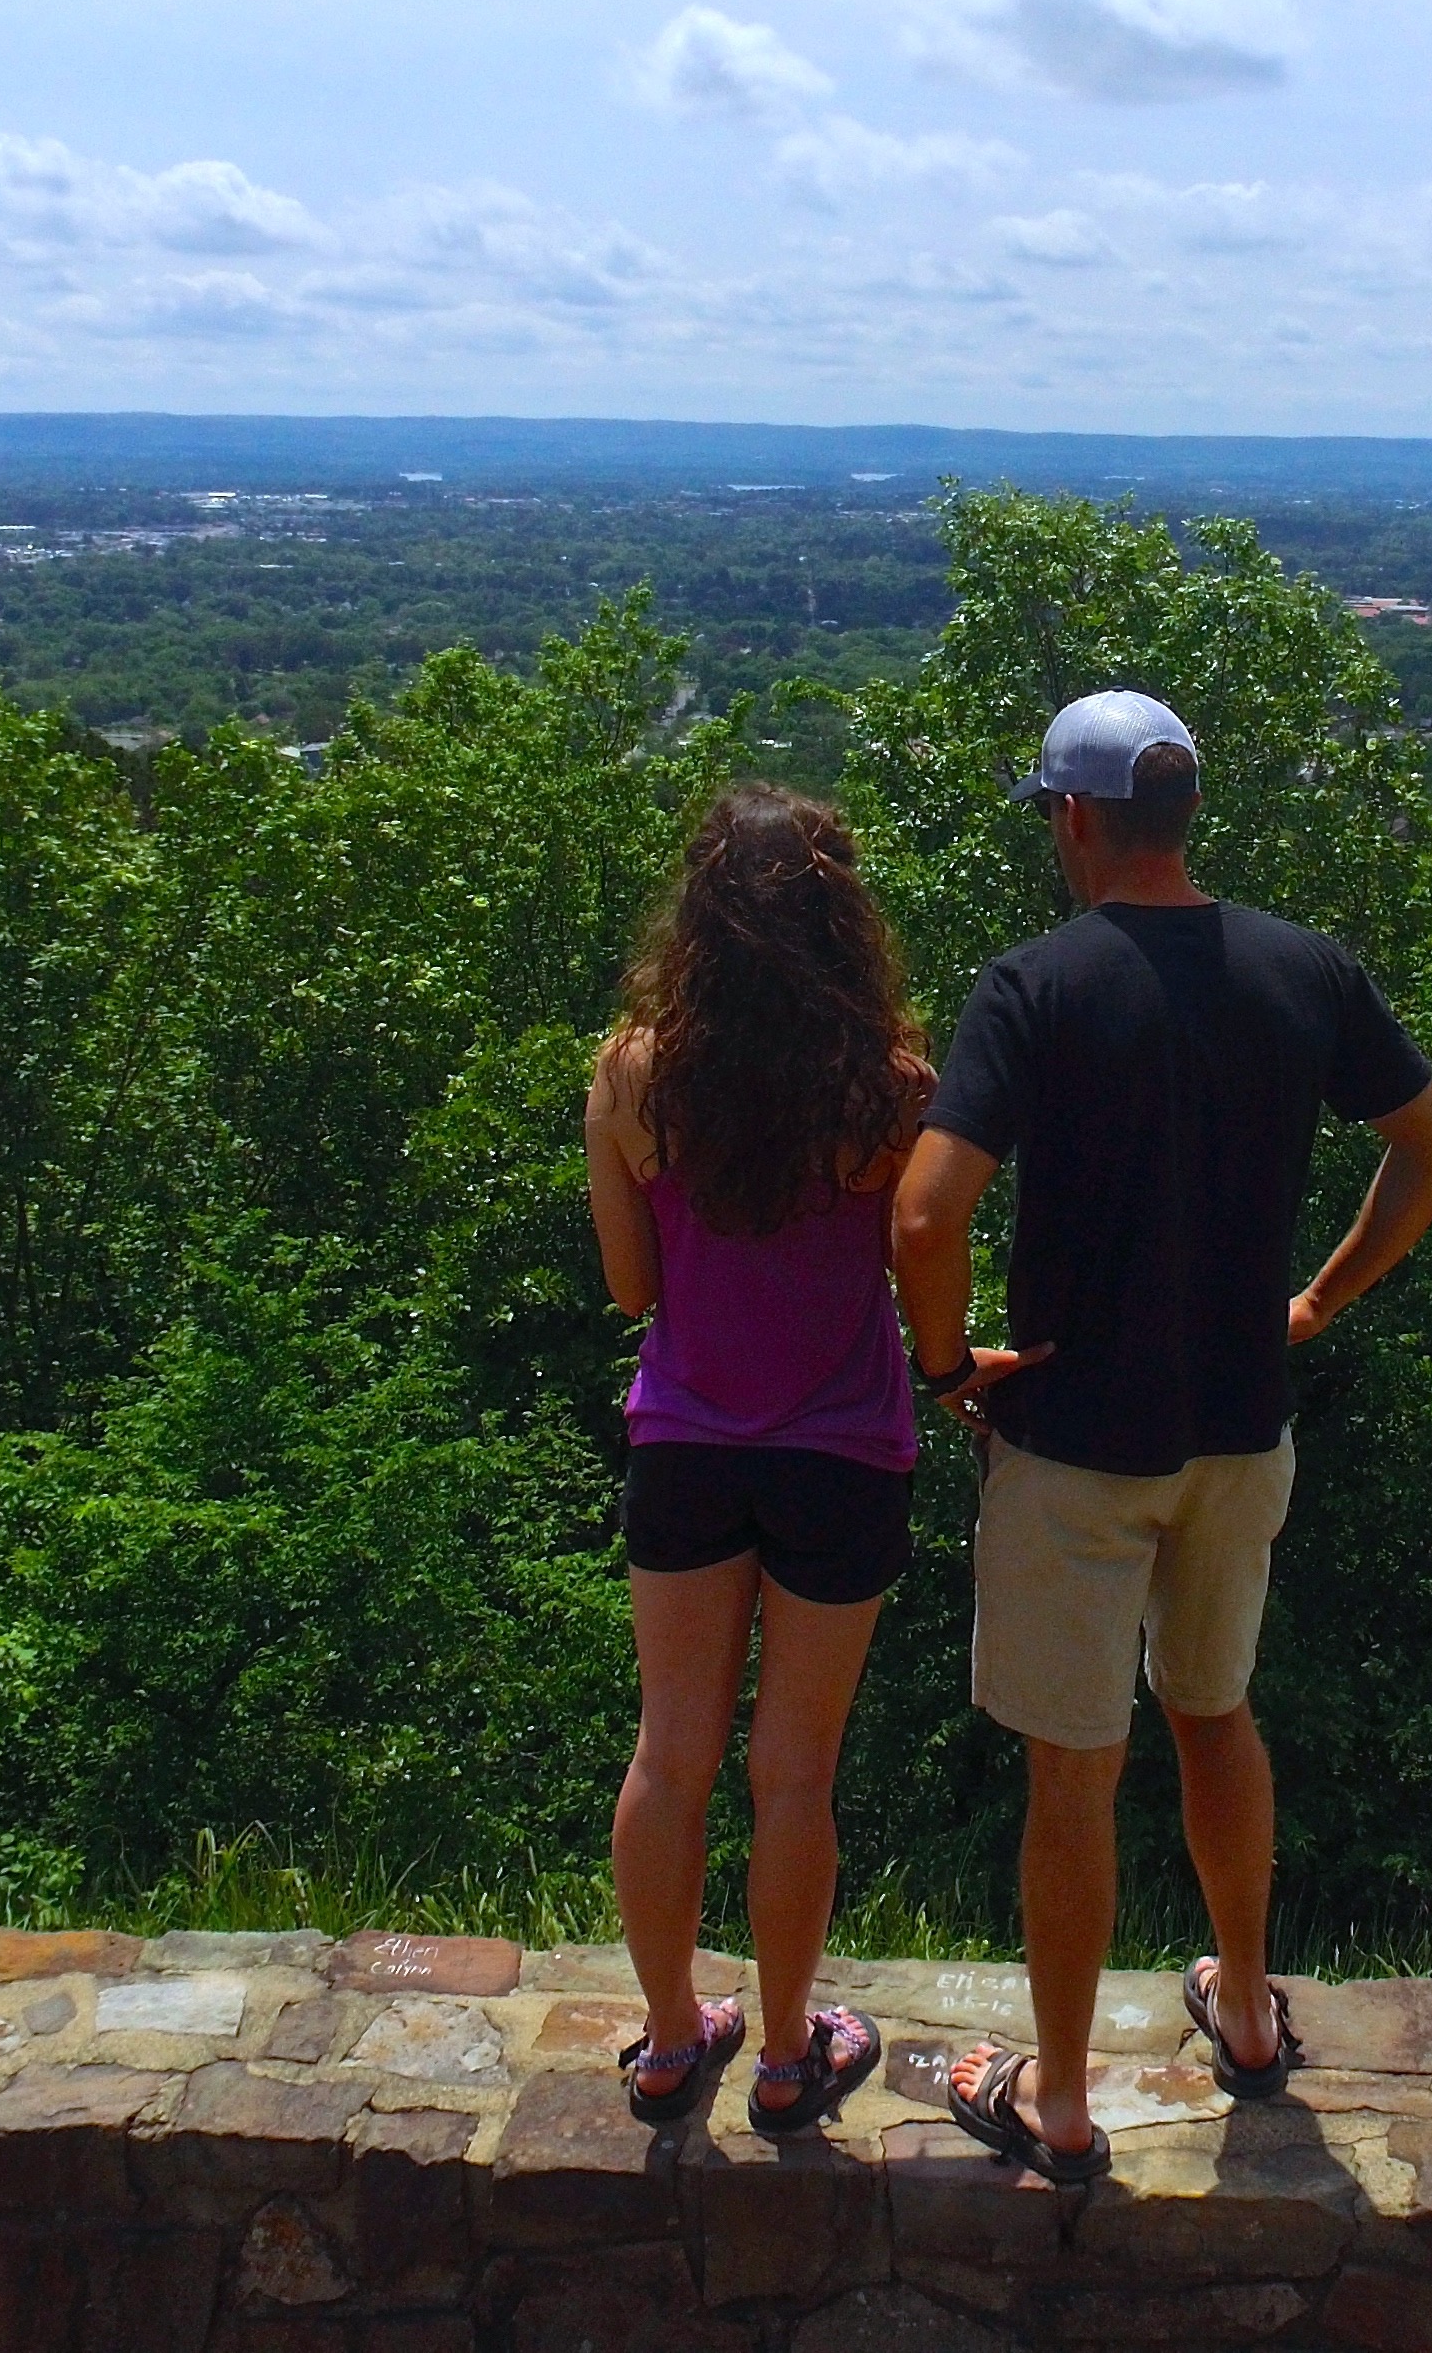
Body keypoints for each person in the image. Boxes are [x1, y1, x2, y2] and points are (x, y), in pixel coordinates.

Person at [891, 690, 1432, 2185]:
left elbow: (926, 1209)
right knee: (1216, 1715)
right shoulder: (1305, 971)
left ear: (1076, 819)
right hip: (1239, 1424)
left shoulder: (1035, 986)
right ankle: (1252, 2020)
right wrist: (1322, 1301)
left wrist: (950, 1364)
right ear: (1183, 815)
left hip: (1078, 1440)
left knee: (1075, 1776)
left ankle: (1067, 2104)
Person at [587, 784, 930, 2135]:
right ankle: (790, 2055)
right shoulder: (893, 1091)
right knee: (795, 1776)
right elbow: (924, 1259)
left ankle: (674, 2040)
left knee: (671, 1759)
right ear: (842, 912)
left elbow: (630, 1288)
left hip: (686, 1443)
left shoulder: (630, 1074)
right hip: (843, 1452)